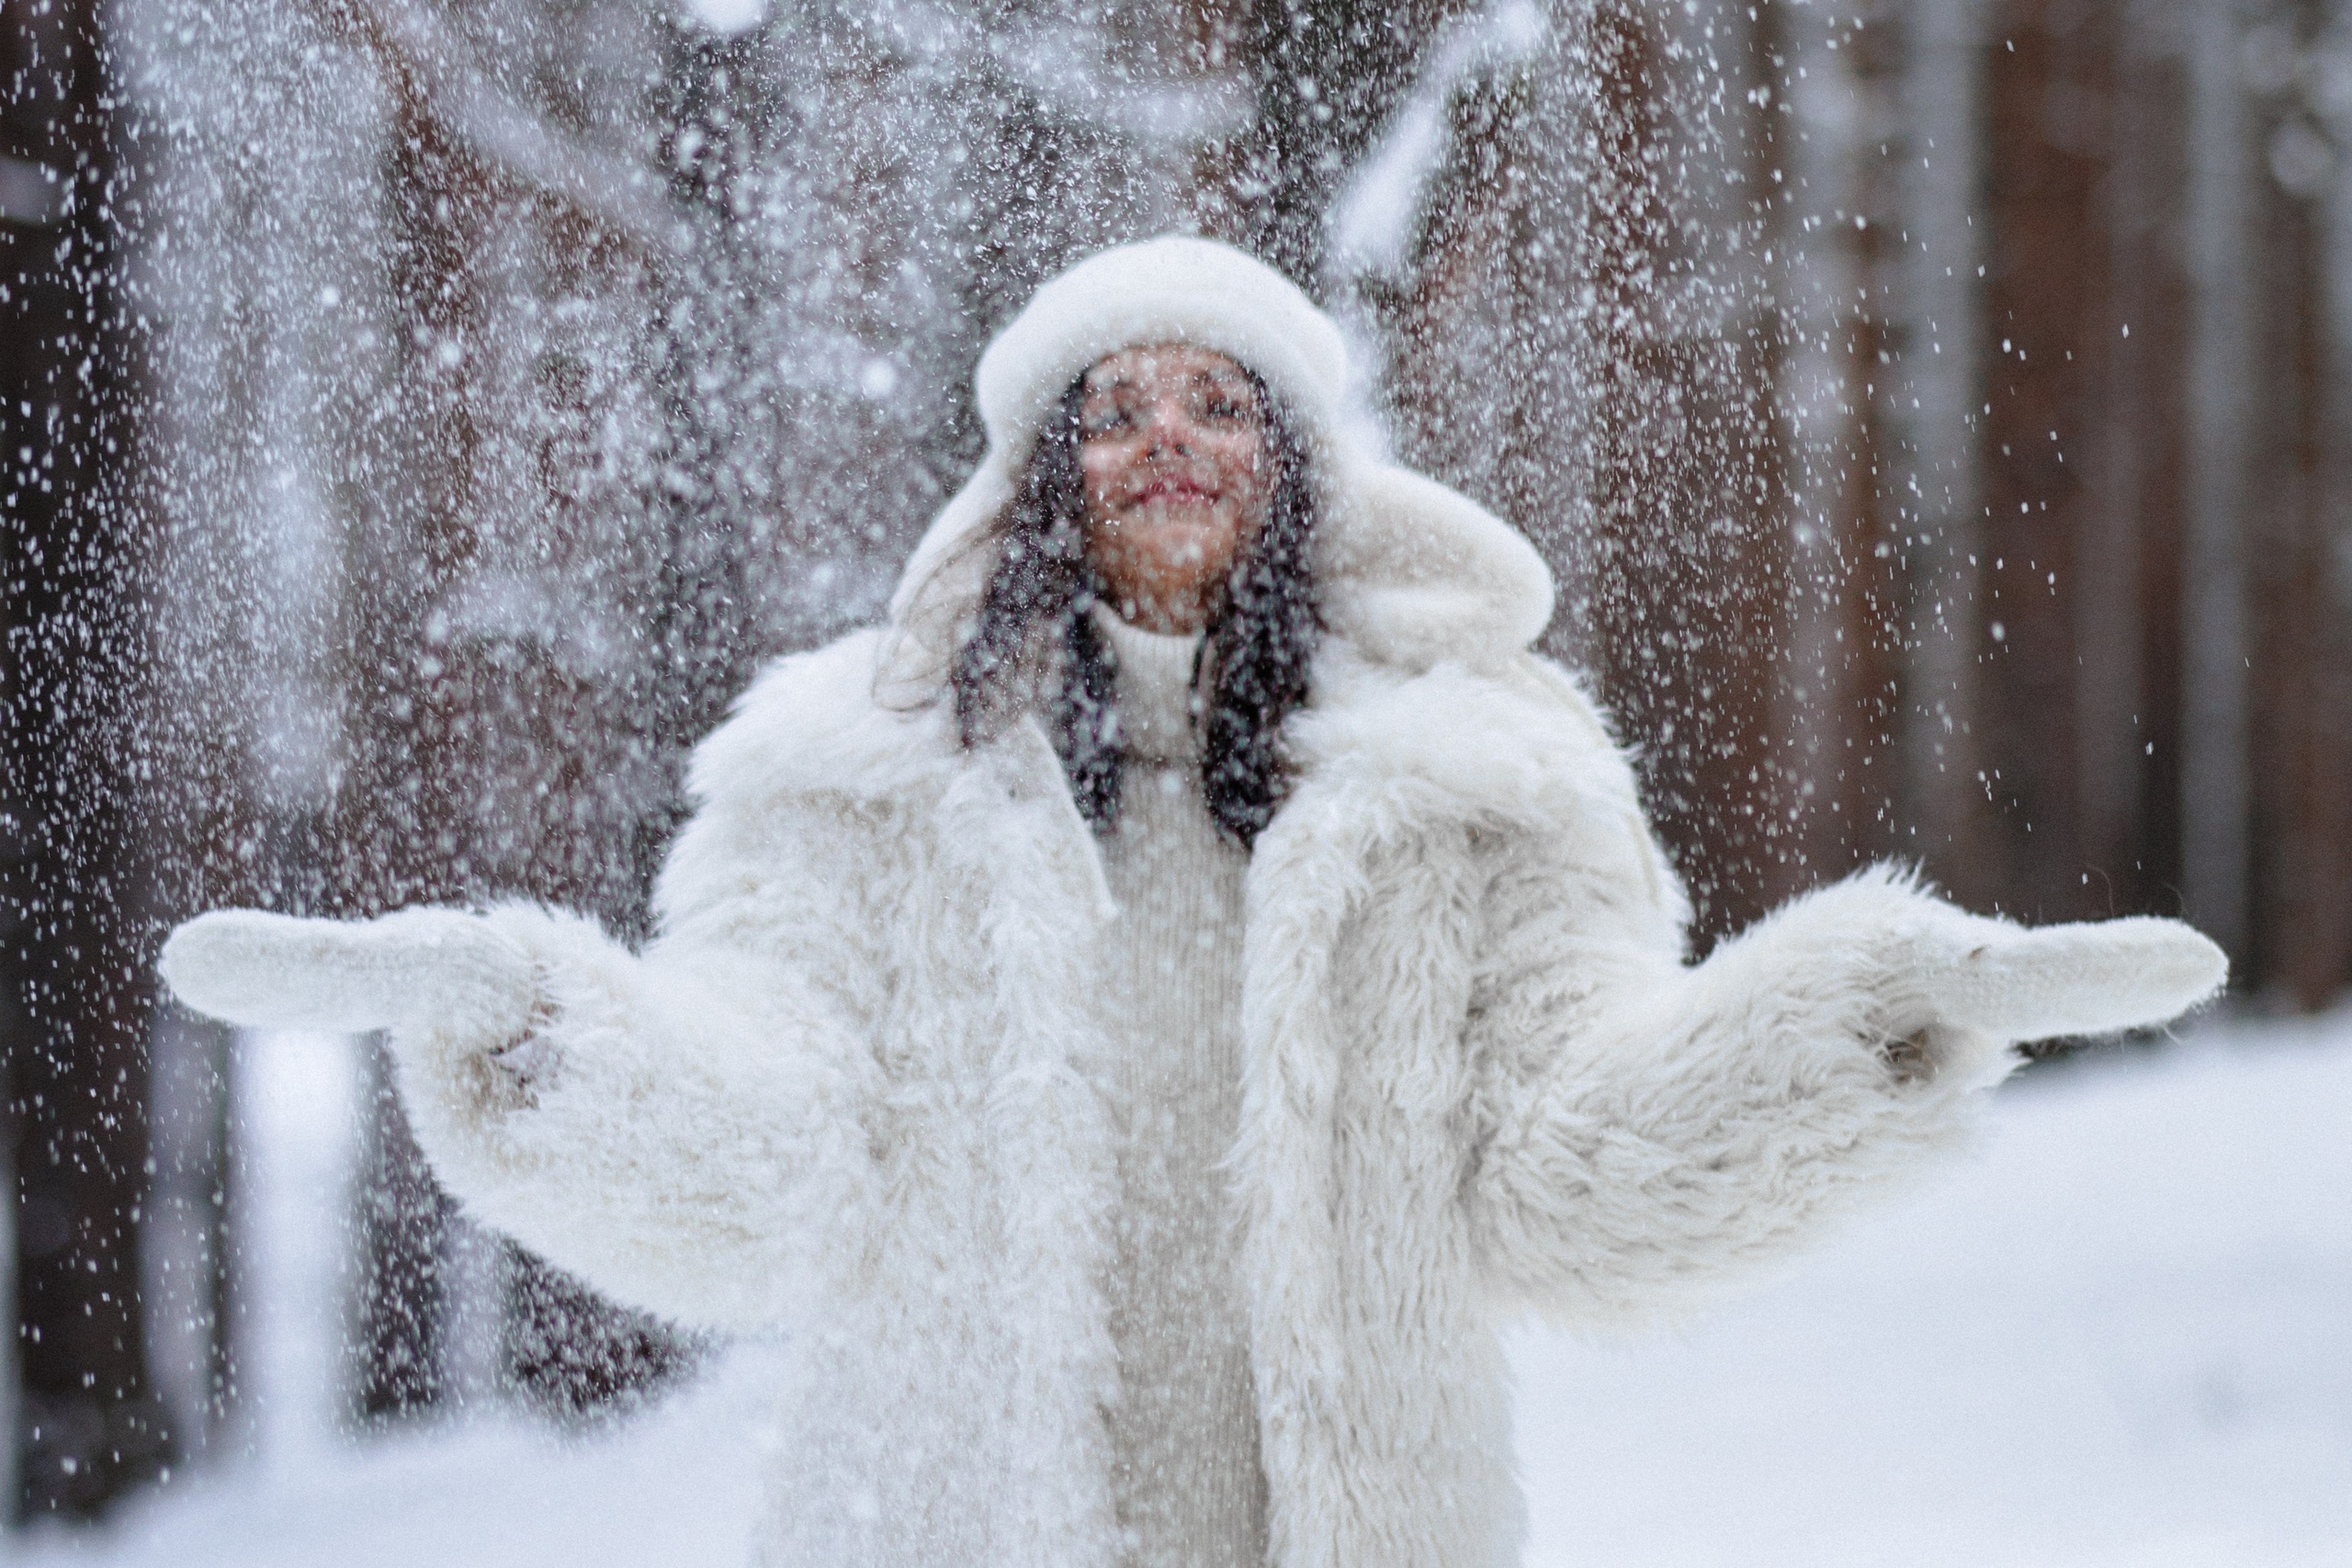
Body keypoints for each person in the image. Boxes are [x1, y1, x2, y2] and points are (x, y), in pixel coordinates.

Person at [160, 236, 2225, 1568]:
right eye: (1117, 407)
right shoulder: (862, 779)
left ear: (1298, 465)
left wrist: (1865, 1016)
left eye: (1219, 402)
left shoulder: (1473, 780)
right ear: (1037, 477)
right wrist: (531, 1030)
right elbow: (775, 1144)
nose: (1167, 438)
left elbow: (1566, 1170)